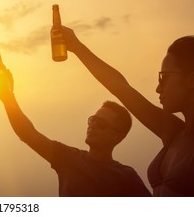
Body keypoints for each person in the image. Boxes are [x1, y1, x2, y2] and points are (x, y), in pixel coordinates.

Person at [62, 28, 194, 196]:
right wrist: (76, 46)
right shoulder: (174, 131)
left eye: (164, 77)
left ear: (191, 79)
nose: (158, 88)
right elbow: (120, 87)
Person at [0, 65, 151, 196]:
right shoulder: (68, 158)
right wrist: (8, 97)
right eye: (92, 120)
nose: (92, 125)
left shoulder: (126, 177)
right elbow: (28, 134)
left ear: (118, 136)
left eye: (101, 124)